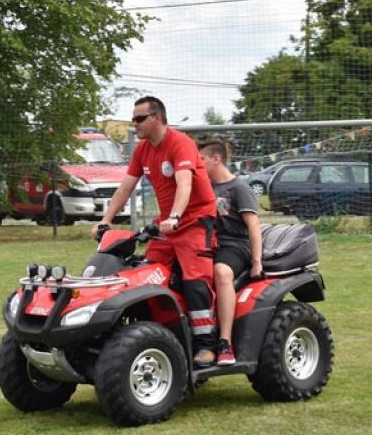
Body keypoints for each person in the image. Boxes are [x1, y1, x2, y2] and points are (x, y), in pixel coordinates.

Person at [94, 96, 219, 367]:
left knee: (195, 278)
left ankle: (206, 345)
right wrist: (105, 221)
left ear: (158, 119)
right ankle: (160, 335)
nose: (134, 124)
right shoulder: (142, 150)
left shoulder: (180, 143)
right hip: (167, 223)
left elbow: (184, 184)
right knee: (151, 274)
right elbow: (125, 187)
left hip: (195, 220)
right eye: (133, 119)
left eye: (140, 119)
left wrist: (175, 216)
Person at [198, 139, 263, 366]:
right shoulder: (203, 186)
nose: (197, 163)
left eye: (201, 159)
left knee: (221, 272)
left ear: (216, 159)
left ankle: (225, 342)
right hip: (208, 244)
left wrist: (256, 262)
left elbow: (253, 226)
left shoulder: (239, 187)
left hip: (235, 245)